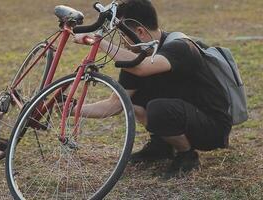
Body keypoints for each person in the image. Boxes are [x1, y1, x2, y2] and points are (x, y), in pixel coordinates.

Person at [73, 0, 232, 178]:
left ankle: (187, 155)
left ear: (140, 32)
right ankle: (161, 146)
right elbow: (115, 104)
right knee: (131, 102)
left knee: (158, 108)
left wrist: (99, 43)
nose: (123, 42)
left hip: (211, 127)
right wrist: (72, 109)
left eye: (122, 35)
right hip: (184, 116)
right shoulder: (137, 59)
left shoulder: (181, 47)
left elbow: (142, 67)